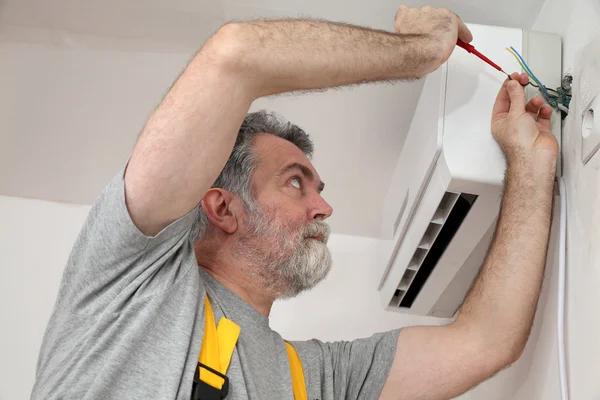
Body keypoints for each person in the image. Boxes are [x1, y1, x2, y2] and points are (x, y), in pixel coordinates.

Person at [31, 5, 558, 400]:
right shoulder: (130, 282)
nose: (324, 210)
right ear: (223, 208)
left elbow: (486, 342)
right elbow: (235, 55)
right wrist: (421, 51)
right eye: (295, 183)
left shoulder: (320, 380)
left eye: (319, 190)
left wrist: (530, 164)